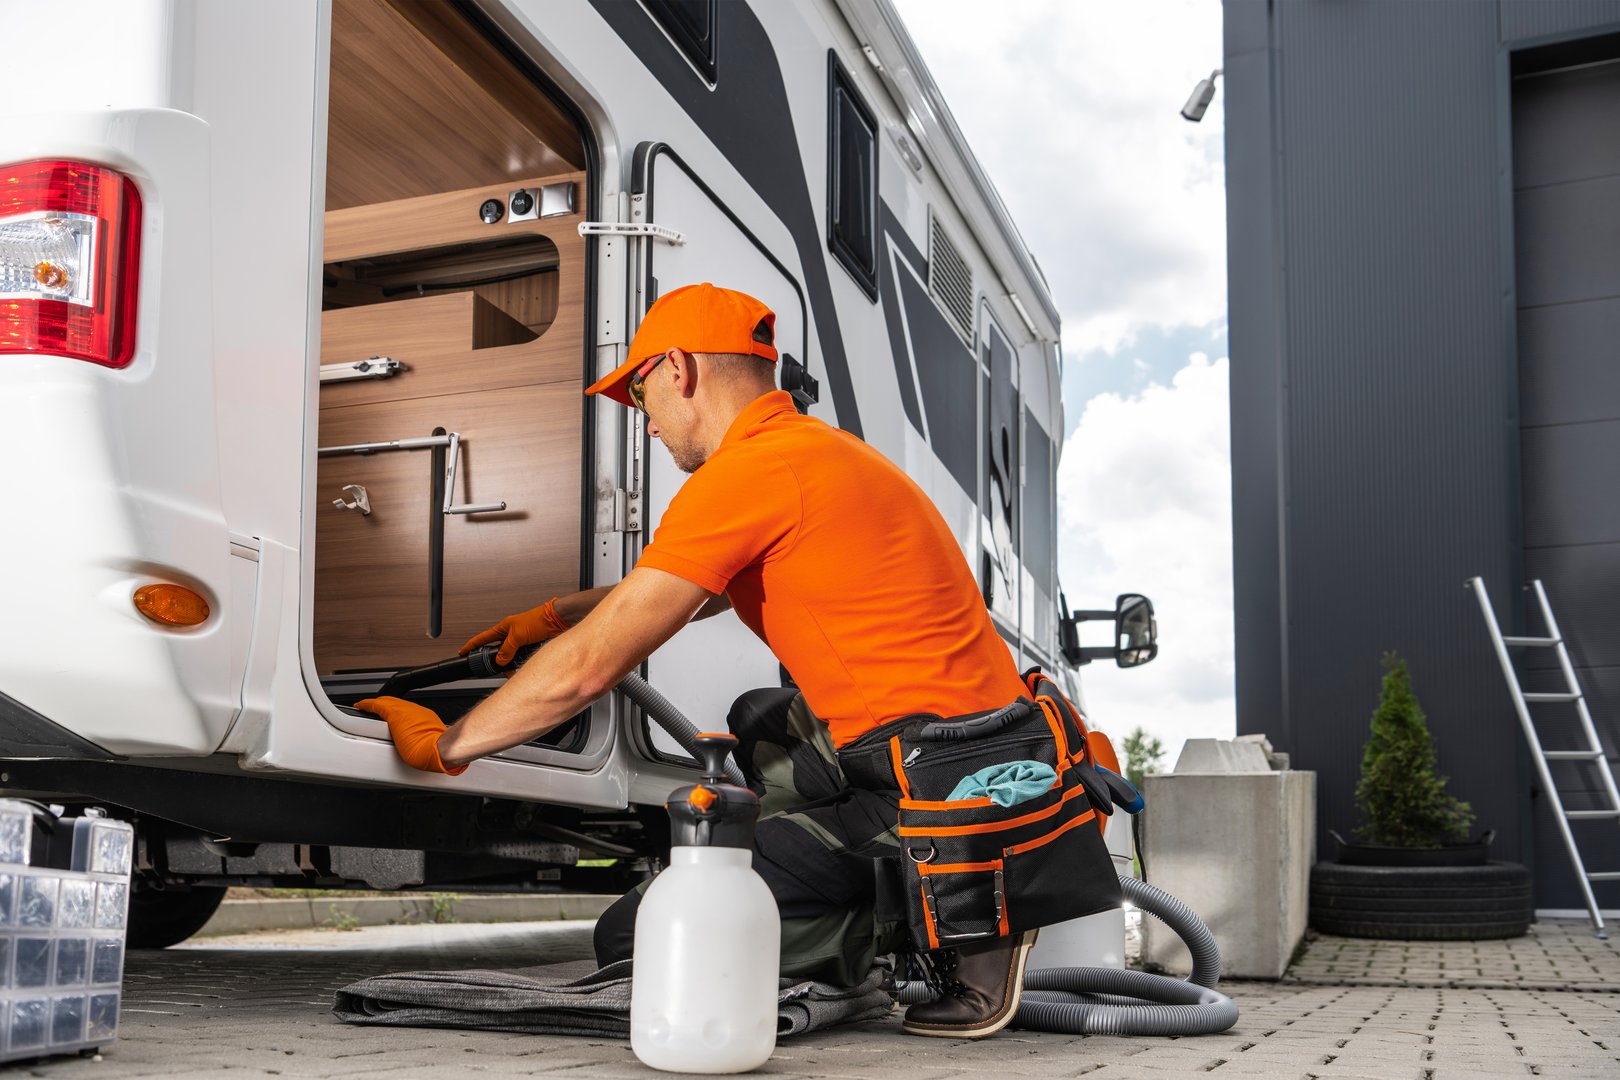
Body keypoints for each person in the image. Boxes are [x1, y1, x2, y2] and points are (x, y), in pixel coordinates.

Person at [356, 282, 1036, 1038]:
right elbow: (694, 590)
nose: (644, 421)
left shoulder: (746, 473)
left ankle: (945, 922)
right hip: (963, 755)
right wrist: (554, 615)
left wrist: (449, 745)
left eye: (640, 394)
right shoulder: (809, 453)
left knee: (639, 937)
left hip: (939, 793)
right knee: (764, 723)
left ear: (678, 368)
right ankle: (870, 886)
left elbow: (590, 670)